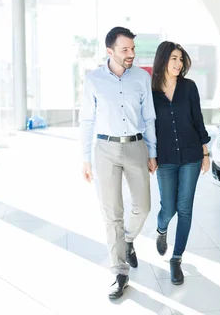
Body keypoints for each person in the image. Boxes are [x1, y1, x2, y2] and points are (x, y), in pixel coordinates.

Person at [79, 26, 158, 299]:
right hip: (105, 149)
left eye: (133, 49)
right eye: (125, 50)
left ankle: (127, 239)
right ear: (109, 51)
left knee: (143, 206)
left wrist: (152, 151)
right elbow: (87, 120)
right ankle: (120, 272)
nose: (131, 54)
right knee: (112, 213)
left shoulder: (141, 78)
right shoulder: (93, 80)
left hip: (136, 146)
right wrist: (84, 158)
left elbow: (149, 116)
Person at [151, 41, 211, 285]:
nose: (178, 64)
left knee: (185, 208)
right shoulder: (151, 90)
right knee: (169, 208)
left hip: (191, 156)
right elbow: (148, 126)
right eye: (173, 58)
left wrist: (205, 153)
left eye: (180, 59)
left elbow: (198, 120)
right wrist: (150, 154)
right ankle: (161, 229)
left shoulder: (189, 87)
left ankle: (176, 259)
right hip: (165, 158)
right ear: (163, 60)